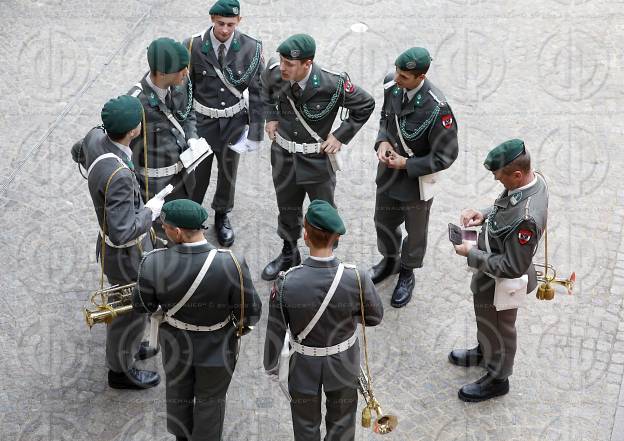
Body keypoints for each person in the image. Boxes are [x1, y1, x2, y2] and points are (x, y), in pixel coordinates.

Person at [133, 199, 262, 441]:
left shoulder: (153, 262)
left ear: (178, 232)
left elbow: (142, 306)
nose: (163, 231)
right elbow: (251, 311)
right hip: (218, 346)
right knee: (211, 400)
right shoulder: (231, 263)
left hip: (175, 344)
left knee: (178, 392)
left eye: (165, 227)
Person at [264, 200, 384, 441]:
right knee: (341, 425)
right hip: (343, 363)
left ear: (305, 236)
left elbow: (276, 330)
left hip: (303, 365)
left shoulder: (286, 281)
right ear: (336, 239)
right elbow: (374, 317)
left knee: (305, 426)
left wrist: (271, 364)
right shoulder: (356, 277)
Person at [260, 33, 375, 281]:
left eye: (289, 64)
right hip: (282, 156)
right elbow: (265, 89)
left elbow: (366, 104)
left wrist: (340, 136)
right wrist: (270, 116)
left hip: (316, 161)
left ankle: (324, 261)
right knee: (287, 208)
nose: (283, 68)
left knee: (323, 211)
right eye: (281, 62)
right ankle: (289, 252)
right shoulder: (274, 73)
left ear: (307, 63)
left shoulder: (331, 84)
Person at [71, 95, 163, 389]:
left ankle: (131, 348)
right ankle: (120, 371)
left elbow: (77, 152)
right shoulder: (119, 175)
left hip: (111, 244)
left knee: (131, 308)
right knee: (130, 313)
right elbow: (124, 231)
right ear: (134, 131)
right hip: (126, 255)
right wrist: (150, 212)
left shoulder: (95, 136)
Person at [450, 139, 548, 402]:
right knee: (483, 313)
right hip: (489, 267)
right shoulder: (531, 179)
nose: (498, 182)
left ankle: (498, 378)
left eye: (500, 177)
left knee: (501, 328)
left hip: (504, 280)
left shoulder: (527, 219)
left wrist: (471, 253)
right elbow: (506, 204)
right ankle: (485, 350)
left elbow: (512, 267)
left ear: (517, 174)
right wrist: (483, 215)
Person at [370, 47, 459, 308]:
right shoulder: (392, 85)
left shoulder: (438, 108)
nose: (397, 79)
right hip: (388, 174)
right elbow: (385, 120)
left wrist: (407, 163)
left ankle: (407, 272)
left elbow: (446, 155)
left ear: (420, 77)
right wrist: (382, 142)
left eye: (404, 76)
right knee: (382, 221)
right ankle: (389, 260)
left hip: (415, 182)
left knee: (415, 232)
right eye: (397, 71)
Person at [185, 0, 265, 247]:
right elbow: (184, 88)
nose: (225, 30)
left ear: (239, 21)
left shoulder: (251, 48)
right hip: (202, 122)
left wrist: (255, 131)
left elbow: (259, 91)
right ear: (212, 19)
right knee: (198, 172)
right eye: (221, 23)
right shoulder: (193, 46)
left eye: (231, 24)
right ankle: (192, 214)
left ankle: (222, 214)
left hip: (234, 122)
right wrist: (185, 128)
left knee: (228, 172)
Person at [128, 37, 201, 237]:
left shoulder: (180, 83)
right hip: (154, 189)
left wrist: (192, 137)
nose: (186, 73)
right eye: (181, 70)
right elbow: (124, 154)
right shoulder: (135, 104)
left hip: (184, 179)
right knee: (160, 240)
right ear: (161, 74)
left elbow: (188, 113)